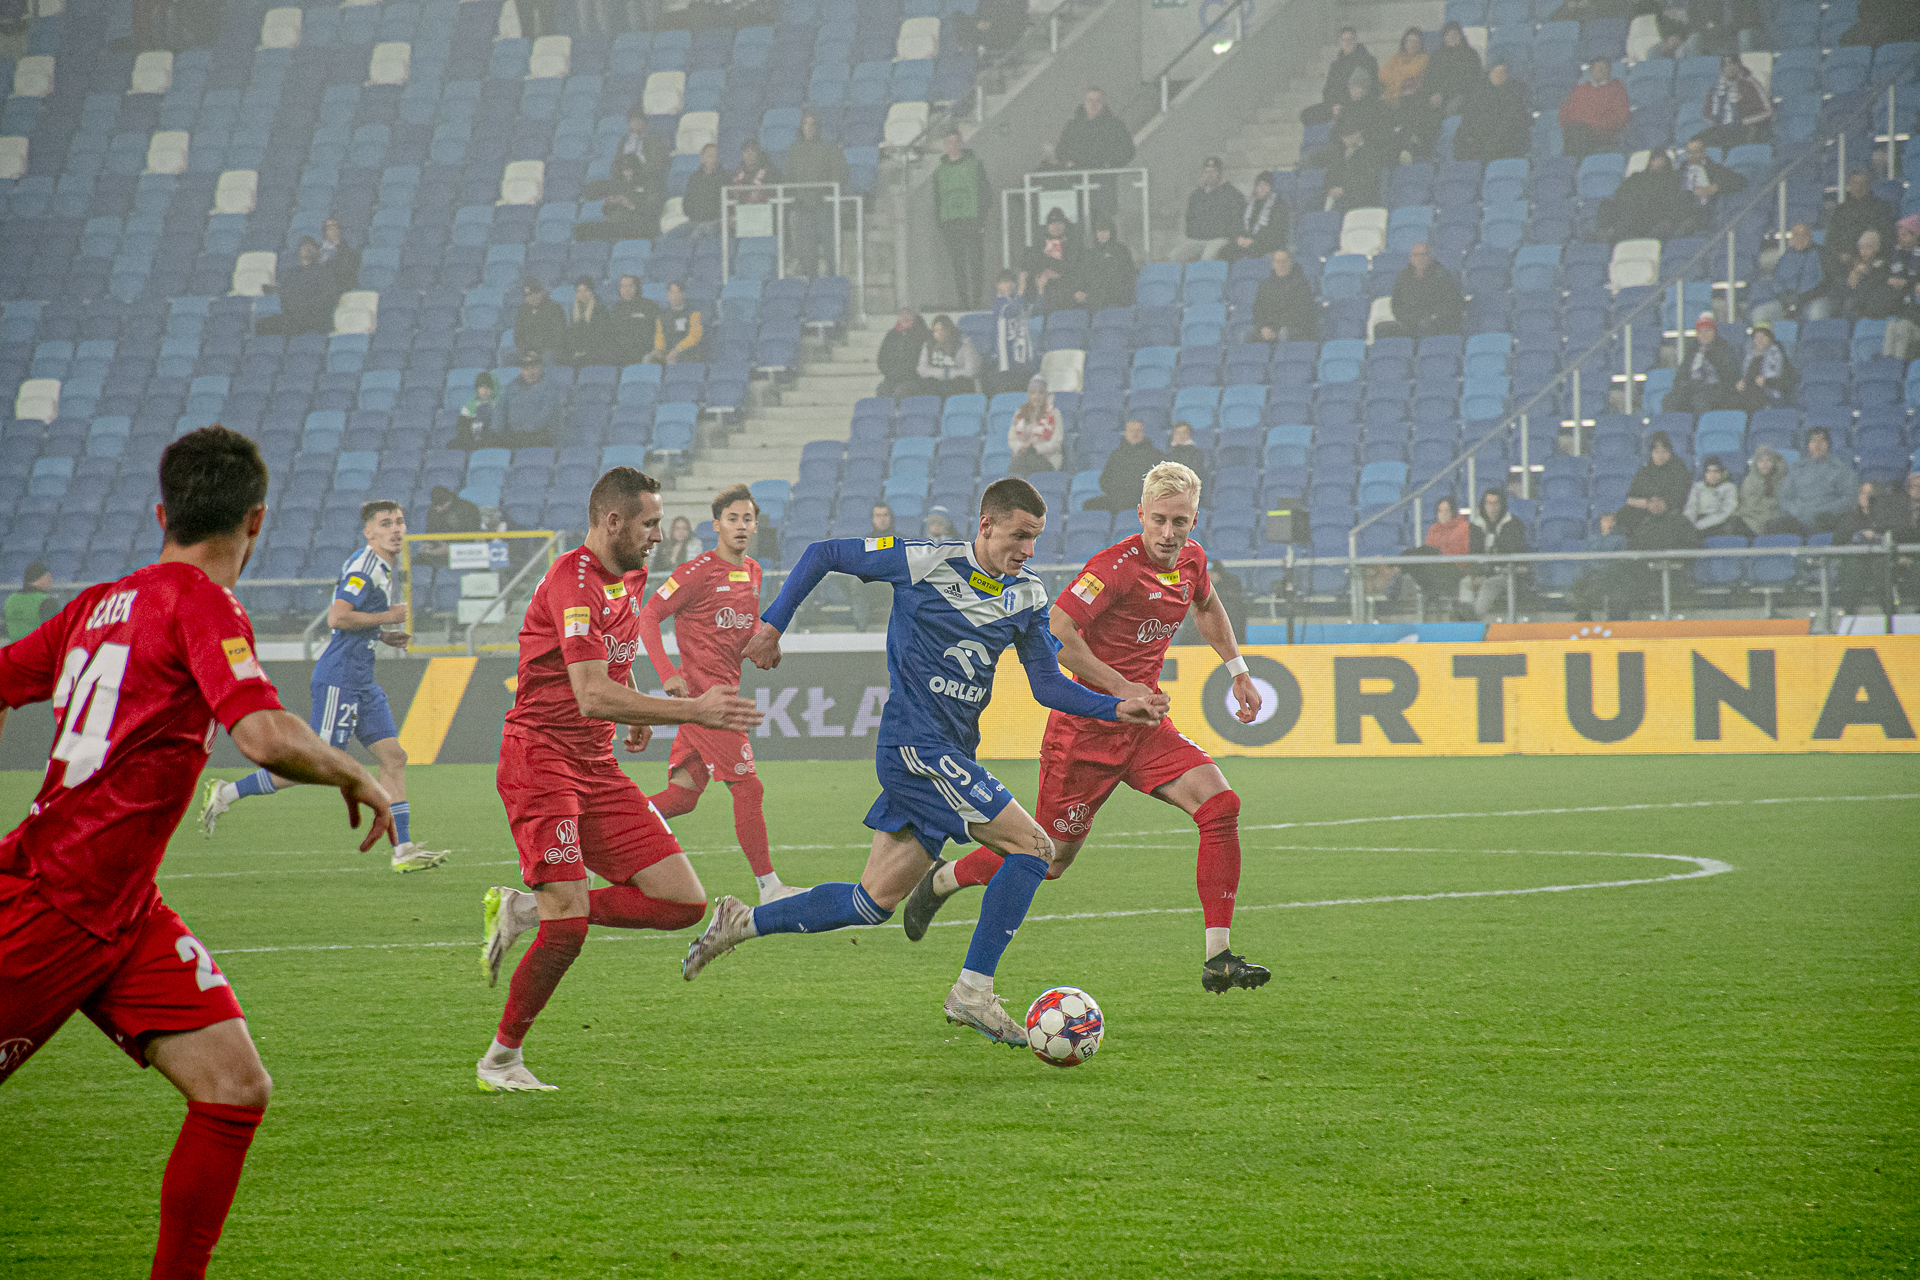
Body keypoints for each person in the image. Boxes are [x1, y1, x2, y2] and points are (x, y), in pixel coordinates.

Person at [0, 426, 396, 1277]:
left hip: (121, 909)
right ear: (256, 520)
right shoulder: (201, 603)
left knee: (233, 1088)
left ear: (162, 514)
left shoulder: (94, 604)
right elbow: (262, 735)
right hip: (51, 908)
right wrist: (355, 773)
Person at [681, 479, 1170, 1048]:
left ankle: (742, 921)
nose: (1028, 549)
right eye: (1019, 535)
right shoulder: (924, 561)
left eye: (1035, 538)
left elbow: (1047, 686)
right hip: (915, 749)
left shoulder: (1028, 595)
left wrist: (1116, 706)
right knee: (1036, 848)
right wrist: (772, 626)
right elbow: (823, 553)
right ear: (986, 526)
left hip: (950, 754)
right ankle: (973, 992)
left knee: (871, 903)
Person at [899, 461, 1268, 991]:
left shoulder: (1192, 560)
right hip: (1085, 734)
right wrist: (1120, 688)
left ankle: (1219, 957)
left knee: (1221, 806)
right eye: (1159, 520)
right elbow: (1058, 632)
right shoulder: (1112, 568)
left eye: (1180, 522)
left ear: (1193, 520)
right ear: (1140, 514)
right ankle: (944, 878)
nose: (1168, 533)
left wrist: (1238, 670)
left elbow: (1206, 604)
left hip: (1144, 729)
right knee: (1048, 859)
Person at [471, 467, 762, 1090]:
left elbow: (610, 666)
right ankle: (501, 1060)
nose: (659, 534)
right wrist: (691, 709)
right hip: (541, 761)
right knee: (568, 928)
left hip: (595, 766)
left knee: (681, 903)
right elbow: (589, 693)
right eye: (649, 523)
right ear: (613, 522)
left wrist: (632, 704)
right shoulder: (573, 582)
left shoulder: (629, 575)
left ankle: (524, 909)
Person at [201, 498, 449, 870]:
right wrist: (389, 616)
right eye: (385, 523)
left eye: (399, 521)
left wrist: (381, 635)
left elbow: (352, 623)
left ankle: (404, 850)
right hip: (340, 678)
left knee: (394, 757)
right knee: (317, 761)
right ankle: (227, 792)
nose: (396, 529)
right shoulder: (365, 566)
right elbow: (337, 618)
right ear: (369, 532)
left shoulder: (382, 566)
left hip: (362, 678)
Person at [629, 484, 805, 904]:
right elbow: (648, 617)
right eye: (732, 519)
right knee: (749, 788)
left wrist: (765, 642)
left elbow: (742, 630)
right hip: (705, 702)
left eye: (747, 519)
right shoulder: (696, 572)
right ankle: (769, 887)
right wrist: (668, 673)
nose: (741, 526)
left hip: (724, 692)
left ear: (755, 525)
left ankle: (602, 829)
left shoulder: (754, 572)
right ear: (716, 525)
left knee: (681, 797)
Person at [783, 110, 848, 280]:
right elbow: (789, 178)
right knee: (806, 251)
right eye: (806, 124)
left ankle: (832, 280)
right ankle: (810, 281)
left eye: (812, 124)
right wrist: (798, 197)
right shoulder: (794, 150)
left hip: (824, 206)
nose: (809, 128)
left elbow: (839, 174)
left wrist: (823, 194)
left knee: (830, 248)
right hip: (802, 207)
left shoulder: (829, 148)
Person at [1053, 87, 1134, 223]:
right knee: (1077, 222)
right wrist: (1069, 163)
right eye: (1090, 100)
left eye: (1098, 101)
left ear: (1104, 103)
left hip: (1103, 184)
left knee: (1103, 223)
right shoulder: (1072, 126)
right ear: (1084, 103)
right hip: (1076, 182)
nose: (1093, 104)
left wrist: (1110, 164)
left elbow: (1128, 150)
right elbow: (1060, 151)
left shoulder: (1115, 126)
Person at [933, 128, 993, 307]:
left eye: (956, 141)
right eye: (949, 142)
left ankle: (976, 302)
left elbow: (986, 193)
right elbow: (937, 199)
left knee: (976, 262)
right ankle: (963, 303)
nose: (953, 145)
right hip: (950, 221)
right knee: (958, 264)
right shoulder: (939, 171)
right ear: (945, 145)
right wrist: (941, 222)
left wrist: (981, 219)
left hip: (972, 219)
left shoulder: (975, 165)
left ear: (962, 142)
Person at [1770, 425, 1859, 535]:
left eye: (1822, 441)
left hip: (1826, 519)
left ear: (1828, 444)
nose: (1817, 445)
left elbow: (1849, 498)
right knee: (1773, 526)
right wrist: (1797, 511)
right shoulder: (1796, 469)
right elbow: (1784, 497)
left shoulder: (1841, 470)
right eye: (1813, 441)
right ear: (1808, 445)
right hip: (1797, 518)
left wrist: (1822, 511)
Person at [1833, 480, 1902, 612]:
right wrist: (1858, 536)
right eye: (1863, 493)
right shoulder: (1849, 517)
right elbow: (1838, 541)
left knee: (1883, 569)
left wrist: (1876, 537)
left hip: (1881, 561)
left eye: (1870, 494)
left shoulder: (1888, 517)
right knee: (1852, 566)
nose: (1865, 497)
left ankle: (1890, 614)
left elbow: (1897, 537)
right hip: (1857, 562)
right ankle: (1850, 612)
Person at [1598, 148, 1692, 243]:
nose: (1657, 161)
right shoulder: (1636, 178)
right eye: (1655, 158)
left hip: (1655, 218)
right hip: (1631, 217)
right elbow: (1620, 195)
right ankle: (1607, 237)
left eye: (1660, 158)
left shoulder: (1673, 179)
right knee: (1607, 206)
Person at [1613, 431, 1694, 541]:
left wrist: (1663, 504)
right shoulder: (1645, 472)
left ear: (1670, 452)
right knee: (1623, 517)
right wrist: (1647, 503)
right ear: (1651, 453)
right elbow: (1630, 498)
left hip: (1670, 511)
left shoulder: (1679, 470)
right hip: (1645, 509)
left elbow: (1682, 494)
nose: (1660, 456)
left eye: (1664, 451)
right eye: (1656, 452)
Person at [1824, 169, 1897, 284]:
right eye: (1855, 183)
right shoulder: (1841, 210)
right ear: (1850, 184)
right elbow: (1831, 240)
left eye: (1863, 183)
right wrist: (1843, 256)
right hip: (1845, 265)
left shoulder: (1881, 208)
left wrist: (1867, 259)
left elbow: (1887, 238)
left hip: (1873, 265)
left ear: (1869, 185)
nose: (1859, 187)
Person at [1464, 486, 1527, 619]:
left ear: (1502, 505)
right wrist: (1476, 575)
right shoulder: (1476, 526)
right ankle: (1464, 619)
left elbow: (1511, 552)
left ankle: (1474, 620)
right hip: (1482, 573)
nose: (1492, 508)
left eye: (1495, 503)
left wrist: (1486, 574)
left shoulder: (1513, 524)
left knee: (1489, 584)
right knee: (1465, 583)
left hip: (1507, 573)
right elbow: (1474, 553)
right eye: (1488, 503)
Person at [576, 149, 663, 242]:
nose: (628, 173)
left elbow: (651, 213)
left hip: (638, 225)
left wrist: (629, 204)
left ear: (637, 170)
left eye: (630, 170)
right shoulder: (621, 185)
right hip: (618, 224)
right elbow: (607, 213)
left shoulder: (650, 186)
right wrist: (609, 203)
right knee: (583, 229)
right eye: (625, 170)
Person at [1452, 61, 1531, 164]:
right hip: (1480, 149)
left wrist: (1490, 146)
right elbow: (1467, 123)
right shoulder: (1480, 96)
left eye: (1502, 73)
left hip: (1503, 150)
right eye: (1495, 72)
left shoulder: (1515, 97)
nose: (1498, 76)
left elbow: (1511, 125)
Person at [259, 237, 339, 337]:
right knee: (264, 324)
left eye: (309, 247)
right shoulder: (295, 273)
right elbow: (282, 289)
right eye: (304, 247)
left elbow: (328, 298)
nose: (306, 250)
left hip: (309, 321)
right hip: (297, 320)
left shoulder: (323, 273)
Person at [1382, 242, 1464, 339]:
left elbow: (1450, 304)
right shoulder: (1403, 277)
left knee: (1424, 327)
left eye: (1423, 255)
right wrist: (1405, 318)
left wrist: (1429, 316)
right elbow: (1396, 304)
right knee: (1382, 329)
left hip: (1434, 321)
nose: (1419, 258)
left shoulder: (1442, 276)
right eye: (1415, 255)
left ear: (1430, 256)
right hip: (1409, 321)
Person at [1663, 313, 1741, 414]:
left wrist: (1710, 355)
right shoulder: (1692, 349)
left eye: (1707, 331)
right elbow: (1682, 372)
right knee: (1669, 400)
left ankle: (1701, 423)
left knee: (1701, 399)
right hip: (1693, 386)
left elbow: (1729, 373)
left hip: (1715, 387)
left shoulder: (1724, 348)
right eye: (1700, 331)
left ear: (1714, 332)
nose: (1704, 334)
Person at [1752, 223, 1828, 323]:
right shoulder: (1784, 258)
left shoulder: (1821, 254)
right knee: (1760, 313)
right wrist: (1784, 297)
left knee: (1817, 312)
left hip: (1811, 300)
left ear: (1810, 237)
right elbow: (1776, 283)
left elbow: (1824, 282)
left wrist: (1804, 297)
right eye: (1796, 235)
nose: (1800, 238)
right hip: (1785, 302)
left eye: (1804, 234)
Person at [1084, 417, 1165, 511]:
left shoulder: (1155, 455)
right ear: (1125, 433)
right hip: (1117, 498)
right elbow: (1104, 480)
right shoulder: (1116, 455)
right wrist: (1116, 492)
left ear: (1143, 433)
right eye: (1131, 431)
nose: (1134, 434)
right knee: (1089, 505)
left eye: (1138, 431)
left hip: (1141, 498)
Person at [1302, 27, 1378, 126]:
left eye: (1350, 39)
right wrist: (1333, 106)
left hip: (1357, 105)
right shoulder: (1335, 65)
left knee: (1350, 116)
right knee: (1307, 114)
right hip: (1336, 106)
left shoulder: (1368, 61)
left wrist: (1345, 102)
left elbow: (1371, 88)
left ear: (1356, 41)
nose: (1348, 43)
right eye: (1344, 40)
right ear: (1340, 43)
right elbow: (1327, 90)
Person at [1377, 27, 1434, 158]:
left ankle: (1406, 148)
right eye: (1409, 41)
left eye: (1416, 42)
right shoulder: (1397, 59)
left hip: (1412, 99)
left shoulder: (1423, 58)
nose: (1412, 44)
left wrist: (1396, 78)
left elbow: (1412, 73)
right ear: (1404, 43)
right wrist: (1397, 82)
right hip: (1394, 98)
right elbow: (1382, 75)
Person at [1558, 57, 1630, 159]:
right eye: (1597, 68)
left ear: (1609, 71)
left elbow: (1621, 116)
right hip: (1579, 133)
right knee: (1573, 131)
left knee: (1578, 132)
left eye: (1603, 68)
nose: (1600, 71)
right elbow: (1564, 115)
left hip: (1604, 135)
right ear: (1591, 71)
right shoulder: (1580, 90)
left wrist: (1592, 124)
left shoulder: (1616, 88)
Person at [1408, 495, 1470, 611]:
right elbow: (1428, 550)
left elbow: (1464, 552)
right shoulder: (1434, 528)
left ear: (1453, 512)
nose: (1443, 514)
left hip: (1456, 567)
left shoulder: (1463, 527)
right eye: (1440, 511)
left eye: (1447, 510)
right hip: (1437, 566)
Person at [1568, 511, 1633, 621]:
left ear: (1613, 523)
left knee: (1613, 588)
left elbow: (1621, 559)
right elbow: (1586, 557)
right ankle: (1584, 617)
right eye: (1602, 520)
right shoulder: (1592, 538)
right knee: (1580, 583)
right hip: (1593, 573)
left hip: (1611, 574)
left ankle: (1615, 619)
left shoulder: (1619, 539)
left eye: (1607, 520)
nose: (1604, 523)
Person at [1178, 156, 1244, 263]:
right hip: (1198, 240)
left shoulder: (1232, 194)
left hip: (1221, 239)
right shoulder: (1196, 196)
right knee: (1175, 256)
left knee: (1207, 258)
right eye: (1206, 171)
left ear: (1220, 173)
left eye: (1213, 171)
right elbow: (1190, 220)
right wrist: (1196, 234)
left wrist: (1226, 235)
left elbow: (1236, 222)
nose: (1209, 175)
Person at [1697, 55, 1772, 148]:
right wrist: (1715, 123)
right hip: (1721, 130)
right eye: (1725, 65)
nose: (1729, 67)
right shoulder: (1716, 88)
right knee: (1697, 141)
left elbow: (1767, 112)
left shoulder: (1750, 84)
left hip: (1745, 129)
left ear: (1738, 65)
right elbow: (1707, 114)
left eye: (1732, 63)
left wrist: (1744, 122)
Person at [495, 351, 564, 445]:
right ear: (521, 370)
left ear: (540, 367)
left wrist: (527, 430)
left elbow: (546, 414)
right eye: (526, 368)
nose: (530, 372)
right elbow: (500, 410)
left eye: (534, 367)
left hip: (539, 438)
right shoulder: (511, 387)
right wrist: (497, 431)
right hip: (513, 437)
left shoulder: (551, 388)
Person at [1678, 136, 1745, 232]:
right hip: (1680, 213)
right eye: (1689, 152)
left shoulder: (1714, 169)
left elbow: (1739, 180)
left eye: (1696, 152)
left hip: (1702, 215)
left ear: (1704, 152)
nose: (1692, 156)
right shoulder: (1681, 170)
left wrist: (1716, 186)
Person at [1070, 219, 1137, 311]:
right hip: (1093, 302)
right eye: (1099, 231)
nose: (1102, 234)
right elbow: (1082, 275)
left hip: (1116, 301)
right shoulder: (1090, 254)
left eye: (1105, 231)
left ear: (1111, 232)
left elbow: (1127, 277)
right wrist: (1079, 290)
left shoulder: (1121, 251)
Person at [1252, 248, 1318, 343]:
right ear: (1273, 264)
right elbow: (1258, 311)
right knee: (1246, 335)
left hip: (1293, 328)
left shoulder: (1301, 284)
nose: (1281, 265)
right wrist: (1263, 328)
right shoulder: (1265, 285)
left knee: (1283, 333)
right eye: (1277, 262)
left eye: (1284, 261)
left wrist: (1276, 330)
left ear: (1290, 263)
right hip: (1269, 328)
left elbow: (1302, 313)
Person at [1017, 208, 1079, 306]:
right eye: (1053, 224)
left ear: (1064, 225)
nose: (1056, 227)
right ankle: (1021, 301)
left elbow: (1071, 266)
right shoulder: (1040, 242)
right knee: (1024, 274)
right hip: (1040, 280)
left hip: (1062, 283)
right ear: (1048, 226)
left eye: (1059, 223)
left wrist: (1051, 269)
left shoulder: (1071, 244)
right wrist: (1040, 271)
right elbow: (1028, 261)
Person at [1221, 172, 1287, 264]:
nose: (1261, 189)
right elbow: (1236, 224)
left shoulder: (1279, 205)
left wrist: (1253, 240)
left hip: (1264, 243)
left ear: (1271, 187)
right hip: (1244, 241)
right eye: (1259, 185)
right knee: (1224, 252)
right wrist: (1238, 238)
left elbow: (1275, 231)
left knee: (1252, 254)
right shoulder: (1246, 203)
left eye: (1265, 185)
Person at [413, 485, 485, 568]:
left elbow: (472, 535)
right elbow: (430, 531)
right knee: (417, 562)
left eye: (440, 505)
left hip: (464, 552)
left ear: (448, 501)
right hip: (439, 549)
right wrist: (427, 544)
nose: (437, 509)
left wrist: (450, 548)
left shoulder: (469, 508)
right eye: (435, 506)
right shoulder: (433, 511)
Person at [1320, 119, 1383, 213]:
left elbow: (1368, 181)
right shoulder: (1339, 157)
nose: (1356, 136)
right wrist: (1332, 190)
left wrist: (1344, 190)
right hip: (1340, 200)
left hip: (1361, 199)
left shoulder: (1368, 154)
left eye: (1356, 133)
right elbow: (1329, 177)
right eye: (1347, 136)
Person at [1730, 321, 1796, 411]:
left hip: (1771, 400)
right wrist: (1740, 385)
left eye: (1763, 337)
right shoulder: (1749, 358)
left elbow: (1787, 383)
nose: (1759, 340)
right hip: (1749, 399)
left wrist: (1767, 381)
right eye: (1757, 337)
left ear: (1770, 339)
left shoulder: (1779, 356)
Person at [1007, 375, 1064, 476]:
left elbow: (1056, 442)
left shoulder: (1055, 414)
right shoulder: (1019, 413)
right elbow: (1012, 439)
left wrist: (1037, 447)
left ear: (1046, 395)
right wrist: (1022, 446)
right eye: (1033, 393)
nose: (1036, 396)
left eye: (1040, 393)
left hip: (1046, 458)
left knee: (1032, 464)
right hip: (1024, 456)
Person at [1425, 21, 1482, 118]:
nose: (1451, 37)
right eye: (1448, 34)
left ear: (1461, 36)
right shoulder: (1436, 55)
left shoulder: (1470, 55)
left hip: (1461, 94)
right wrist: (1432, 94)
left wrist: (1443, 94)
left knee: (1452, 108)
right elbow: (1429, 78)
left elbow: (1470, 80)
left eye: (1455, 34)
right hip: (1437, 95)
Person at [916, 314, 980, 396]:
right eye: (936, 330)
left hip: (958, 384)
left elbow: (971, 371)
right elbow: (922, 370)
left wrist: (949, 374)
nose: (940, 334)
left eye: (942, 330)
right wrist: (942, 374)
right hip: (937, 383)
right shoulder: (928, 346)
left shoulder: (964, 345)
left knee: (959, 382)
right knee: (928, 383)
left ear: (949, 330)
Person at [606, 273, 662, 366]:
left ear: (637, 287)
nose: (626, 289)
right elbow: (611, 335)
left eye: (630, 286)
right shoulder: (615, 309)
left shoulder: (650, 306)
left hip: (645, 354)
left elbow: (656, 332)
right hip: (621, 356)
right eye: (623, 286)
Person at [1732, 444, 1786, 536]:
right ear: (1755, 463)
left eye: (1768, 460)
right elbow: (1750, 506)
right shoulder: (1749, 481)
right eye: (1761, 461)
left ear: (1773, 463)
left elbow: (1780, 503)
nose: (1765, 464)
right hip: (1749, 520)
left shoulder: (1780, 481)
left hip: (1773, 520)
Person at [877, 308, 932, 398]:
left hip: (914, 378)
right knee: (882, 390)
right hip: (892, 377)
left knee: (901, 392)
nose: (905, 318)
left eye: (908, 316)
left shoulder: (922, 334)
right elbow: (882, 360)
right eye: (902, 316)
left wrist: (903, 374)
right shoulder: (891, 335)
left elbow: (917, 361)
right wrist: (892, 374)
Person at [649, 281, 704, 364]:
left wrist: (677, 350)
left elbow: (694, 337)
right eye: (671, 292)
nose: (674, 296)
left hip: (686, 351)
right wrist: (659, 349)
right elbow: (659, 335)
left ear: (683, 294)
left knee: (671, 361)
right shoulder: (662, 315)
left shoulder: (694, 313)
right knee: (649, 359)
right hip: (667, 351)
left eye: (677, 292)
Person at [1685, 456, 1741, 536]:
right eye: (1709, 471)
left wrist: (1699, 525)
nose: (1712, 475)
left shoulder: (1729, 488)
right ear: (1705, 474)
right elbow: (1691, 508)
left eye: (1716, 471)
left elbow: (1725, 512)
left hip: (1719, 525)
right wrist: (1689, 525)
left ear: (1721, 473)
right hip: (1697, 524)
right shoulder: (1698, 487)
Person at [559, 276, 608, 368]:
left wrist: (585, 352)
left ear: (591, 292)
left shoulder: (600, 309)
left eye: (585, 290)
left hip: (595, 351)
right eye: (579, 291)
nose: (582, 294)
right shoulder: (573, 311)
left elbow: (600, 335)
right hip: (579, 351)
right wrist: (575, 351)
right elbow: (573, 334)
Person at [513, 278, 565, 361]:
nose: (533, 297)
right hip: (527, 351)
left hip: (549, 350)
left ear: (541, 292)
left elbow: (558, 335)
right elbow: (518, 335)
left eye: (536, 293)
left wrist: (538, 352)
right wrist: (526, 351)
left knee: (547, 357)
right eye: (528, 295)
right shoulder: (523, 311)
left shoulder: (554, 308)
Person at [5, 561, 58, 641]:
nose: (51, 580)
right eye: (48, 577)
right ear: (40, 579)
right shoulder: (47, 601)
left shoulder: (10, 599)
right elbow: (54, 633)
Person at [681, 142, 725, 237]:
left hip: (715, 222)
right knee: (672, 235)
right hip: (694, 221)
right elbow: (687, 203)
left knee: (697, 234)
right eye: (710, 156)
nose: (713, 160)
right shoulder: (694, 178)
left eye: (715, 156)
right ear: (702, 158)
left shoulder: (724, 178)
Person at [453, 370, 497, 448]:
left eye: (488, 387)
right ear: (477, 389)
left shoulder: (495, 404)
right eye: (482, 387)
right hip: (471, 437)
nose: (485, 391)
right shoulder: (470, 404)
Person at [1163, 420, 1208, 489]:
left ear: (1189, 435)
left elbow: (1195, 473)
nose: (1181, 436)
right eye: (1178, 433)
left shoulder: (1196, 453)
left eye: (1184, 433)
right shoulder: (1168, 454)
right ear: (1174, 435)